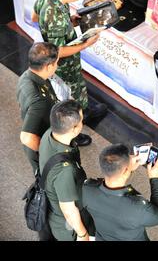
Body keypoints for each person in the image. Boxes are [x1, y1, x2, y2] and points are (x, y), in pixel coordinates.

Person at [32, 0, 107, 146]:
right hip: (62, 65)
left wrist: (70, 22)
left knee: (78, 89)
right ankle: (71, 132)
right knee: (68, 98)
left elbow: (35, 17)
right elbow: (57, 52)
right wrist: (85, 44)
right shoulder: (56, 16)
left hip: (61, 58)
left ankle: (84, 111)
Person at [82, 144, 158, 241]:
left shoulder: (87, 189)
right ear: (125, 171)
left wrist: (128, 168)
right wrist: (155, 178)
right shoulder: (138, 208)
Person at [39, 100, 94, 241]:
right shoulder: (65, 171)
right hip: (67, 228)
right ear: (75, 128)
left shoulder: (50, 133)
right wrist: (82, 234)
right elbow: (69, 210)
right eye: (81, 120)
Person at [17, 42, 59, 174]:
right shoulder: (39, 101)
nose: (57, 66)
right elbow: (26, 137)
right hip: (41, 143)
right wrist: (48, 154)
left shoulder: (27, 76)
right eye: (56, 63)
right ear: (49, 66)